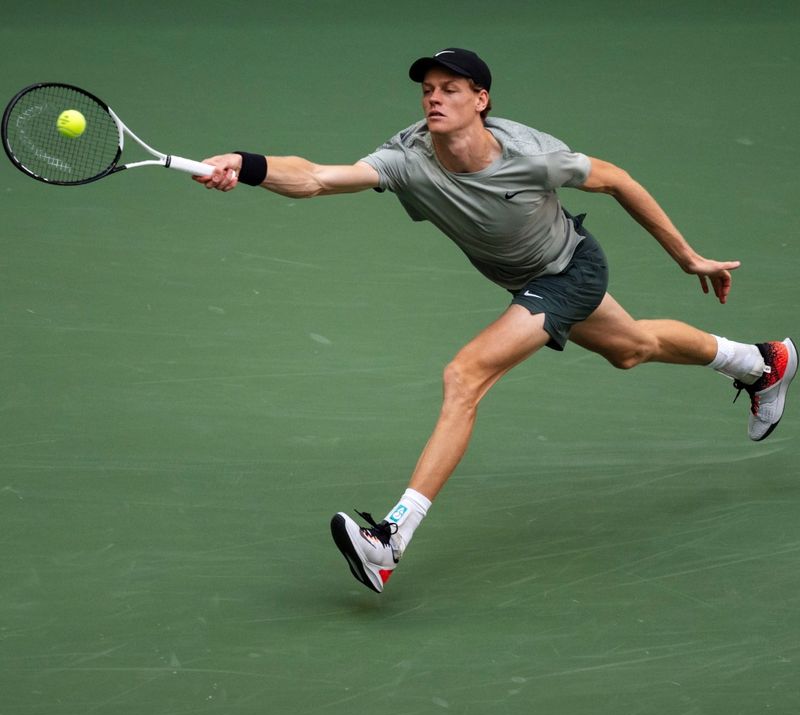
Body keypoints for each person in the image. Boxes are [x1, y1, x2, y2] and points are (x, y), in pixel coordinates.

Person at [196, 48, 796, 595]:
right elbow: (319, 178)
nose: (434, 98)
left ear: (481, 100)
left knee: (465, 376)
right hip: (526, 278)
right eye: (427, 89)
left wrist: (687, 256)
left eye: (450, 88)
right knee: (632, 348)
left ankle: (389, 542)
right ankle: (764, 362)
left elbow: (618, 181)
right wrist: (245, 165)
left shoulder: (530, 155)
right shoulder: (408, 158)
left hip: (569, 271)